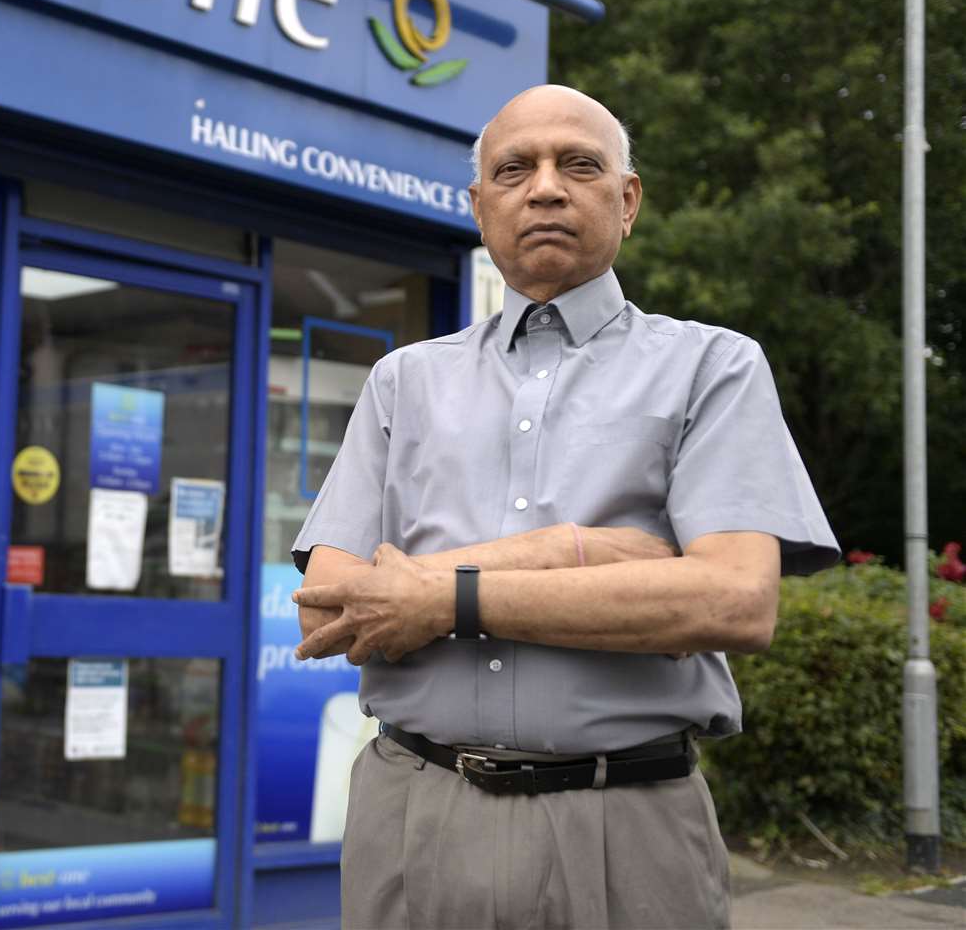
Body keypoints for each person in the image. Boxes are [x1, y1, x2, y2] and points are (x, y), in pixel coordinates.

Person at [289, 84, 838, 929]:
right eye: (514, 169)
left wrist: (439, 597)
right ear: (479, 208)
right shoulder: (403, 380)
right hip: (411, 817)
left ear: (627, 201)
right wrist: (583, 552)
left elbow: (734, 601)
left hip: (629, 825)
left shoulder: (713, 368)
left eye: (578, 164)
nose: (545, 187)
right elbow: (334, 607)